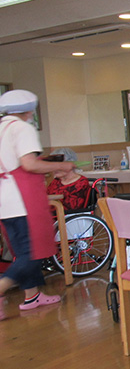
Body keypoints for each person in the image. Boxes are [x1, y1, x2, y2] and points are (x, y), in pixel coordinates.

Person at [0, 90, 75, 320]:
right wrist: (60, 167)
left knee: (20, 251)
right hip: (21, 199)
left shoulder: (1, 127)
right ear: (28, 110)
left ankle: (32, 296)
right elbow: (29, 164)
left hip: (4, 200)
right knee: (32, 253)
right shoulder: (22, 128)